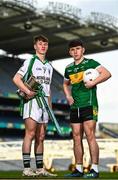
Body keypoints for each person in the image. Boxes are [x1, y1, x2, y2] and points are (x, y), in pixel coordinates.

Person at [63, 39, 111, 178]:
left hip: (89, 104)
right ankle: (78, 169)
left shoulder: (91, 63)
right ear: (69, 52)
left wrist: (93, 82)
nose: (75, 52)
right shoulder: (69, 68)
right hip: (75, 106)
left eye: (78, 48)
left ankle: (94, 169)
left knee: (90, 136)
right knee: (76, 137)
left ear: (83, 50)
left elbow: (107, 73)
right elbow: (66, 84)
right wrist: (68, 96)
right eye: (72, 49)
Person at [13, 34, 56, 177]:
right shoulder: (30, 61)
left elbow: (48, 90)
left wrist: (50, 109)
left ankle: (39, 169)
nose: (43, 46)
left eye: (45, 44)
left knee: (41, 136)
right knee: (30, 134)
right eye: (40, 44)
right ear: (35, 46)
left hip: (45, 105)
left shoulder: (49, 65)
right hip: (32, 102)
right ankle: (26, 169)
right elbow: (16, 79)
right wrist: (27, 91)